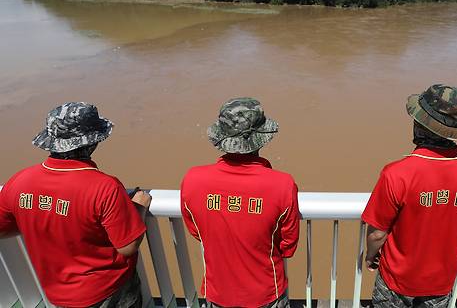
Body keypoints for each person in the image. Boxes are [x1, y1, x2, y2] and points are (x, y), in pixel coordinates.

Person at [0, 102, 151, 308]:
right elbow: (127, 246)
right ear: (93, 142)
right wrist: (139, 206)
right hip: (107, 291)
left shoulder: (19, 181)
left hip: (57, 293)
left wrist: (37, 217)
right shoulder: (104, 187)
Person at [361, 84, 457, 308]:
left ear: (420, 124)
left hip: (396, 280)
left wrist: (370, 256)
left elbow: (377, 234)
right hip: (441, 281)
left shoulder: (397, 173)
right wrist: (448, 251)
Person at [181, 97, 299, 308]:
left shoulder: (193, 180)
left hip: (218, 292)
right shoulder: (282, 184)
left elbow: (197, 231)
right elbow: (288, 246)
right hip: (266, 292)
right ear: (261, 139)